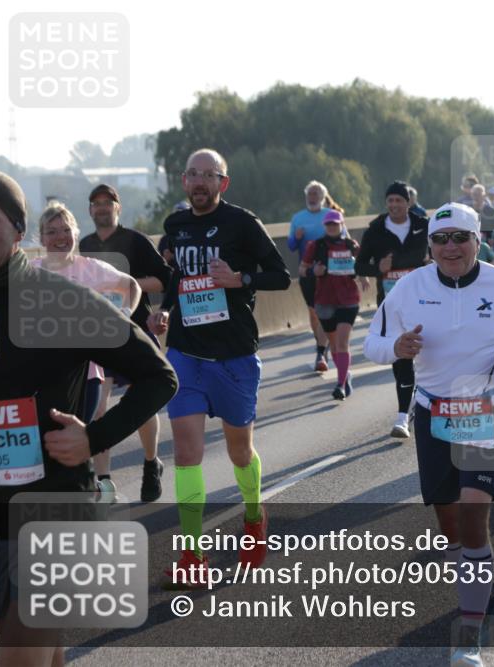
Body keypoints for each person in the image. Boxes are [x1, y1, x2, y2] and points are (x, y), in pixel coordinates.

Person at [0, 170, 177, 665]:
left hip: (55, 503)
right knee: (31, 644)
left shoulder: (60, 300)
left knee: (19, 651)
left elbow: (158, 376)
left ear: (18, 229)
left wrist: (94, 438)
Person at [363, 203, 494, 667]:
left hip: (485, 409)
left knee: (473, 513)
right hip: (432, 412)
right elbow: (371, 344)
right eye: (441, 239)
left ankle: (469, 637)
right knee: (451, 528)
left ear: (477, 240)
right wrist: (397, 348)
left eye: (460, 238)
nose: (450, 247)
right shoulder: (410, 287)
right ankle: (480, 585)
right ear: (430, 245)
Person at [147, 149, 290, 586]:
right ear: (184, 181)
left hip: (234, 355)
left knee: (239, 452)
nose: (200, 182)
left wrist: (240, 279)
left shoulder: (243, 223)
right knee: (185, 455)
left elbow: (281, 276)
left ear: (222, 183)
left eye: (209, 175)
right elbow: (178, 278)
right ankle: (193, 557)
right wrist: (166, 308)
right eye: (193, 174)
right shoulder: (175, 226)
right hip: (186, 354)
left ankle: (254, 516)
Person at [33, 203, 142, 500]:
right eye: (52, 232)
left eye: (66, 230)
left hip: (86, 374)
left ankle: (84, 495)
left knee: (76, 438)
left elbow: (131, 286)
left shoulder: (90, 269)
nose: (60, 237)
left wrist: (122, 318)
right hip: (41, 374)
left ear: (76, 233)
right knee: (46, 443)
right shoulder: (31, 272)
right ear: (41, 238)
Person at [79, 183, 172, 502]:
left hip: (135, 331)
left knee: (141, 402)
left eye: (108, 203)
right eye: (96, 203)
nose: (102, 208)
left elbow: (164, 279)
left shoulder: (136, 241)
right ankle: (104, 481)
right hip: (97, 336)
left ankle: (151, 462)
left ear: (117, 208)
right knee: (98, 409)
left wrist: (126, 284)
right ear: (90, 210)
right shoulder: (84, 245)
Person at [354, 181, 430, 439]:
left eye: (399, 200)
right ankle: (402, 417)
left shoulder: (424, 226)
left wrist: (430, 262)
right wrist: (378, 269)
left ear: (408, 203)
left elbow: (443, 253)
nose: (394, 205)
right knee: (401, 356)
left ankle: (423, 398)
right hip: (392, 305)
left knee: (432, 353)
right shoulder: (375, 230)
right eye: (390, 201)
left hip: (426, 301)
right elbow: (359, 266)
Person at [300, 210, 363, 401]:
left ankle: (340, 384)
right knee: (334, 345)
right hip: (325, 300)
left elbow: (362, 266)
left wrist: (362, 276)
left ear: (342, 225)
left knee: (342, 343)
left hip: (349, 299)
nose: (332, 227)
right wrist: (313, 271)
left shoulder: (351, 245)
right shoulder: (316, 245)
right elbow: (302, 269)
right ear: (324, 226)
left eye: (336, 224)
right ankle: (345, 374)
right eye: (329, 224)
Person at [288, 181, 334, 373]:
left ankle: (322, 350)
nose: (312, 197)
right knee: (314, 312)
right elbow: (291, 246)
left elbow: (346, 240)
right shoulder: (298, 218)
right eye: (310, 194)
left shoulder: (331, 215)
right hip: (306, 272)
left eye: (316, 194)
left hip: (329, 272)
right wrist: (297, 237)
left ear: (322, 197)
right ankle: (320, 344)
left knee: (327, 310)